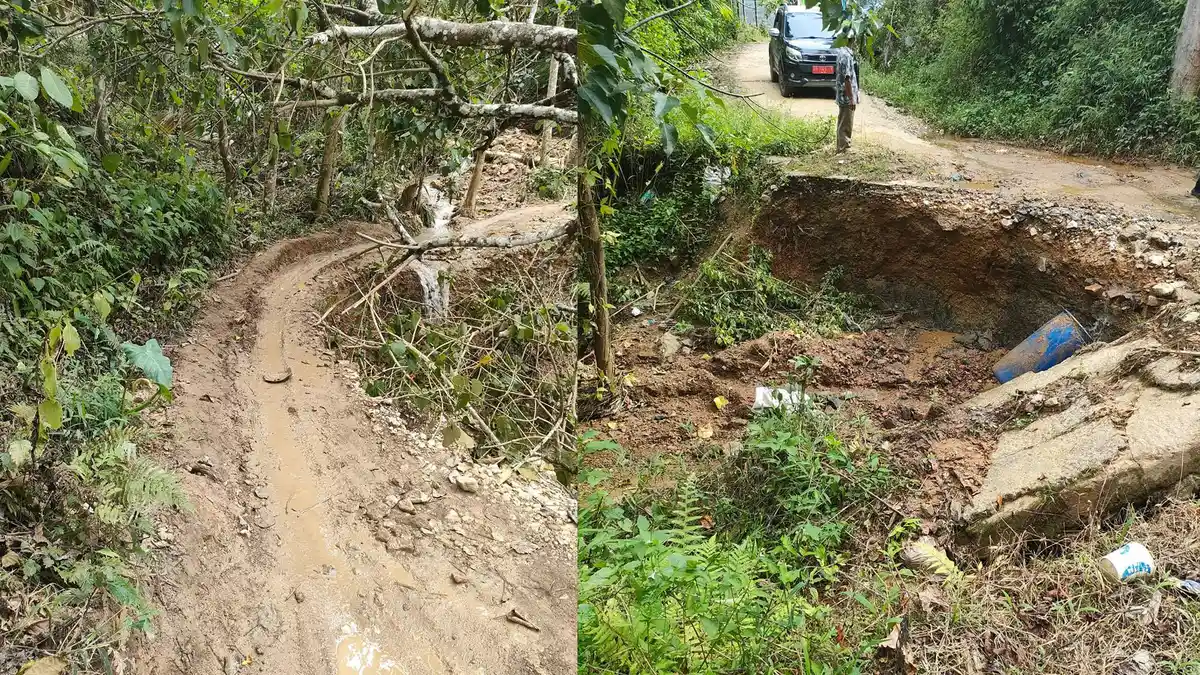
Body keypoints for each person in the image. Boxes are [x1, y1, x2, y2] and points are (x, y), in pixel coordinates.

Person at [834, 45, 860, 153]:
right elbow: (847, 79)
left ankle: (842, 147)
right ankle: (843, 149)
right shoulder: (846, 56)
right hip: (846, 96)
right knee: (846, 123)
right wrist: (851, 98)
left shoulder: (841, 52)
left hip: (843, 94)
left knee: (843, 122)